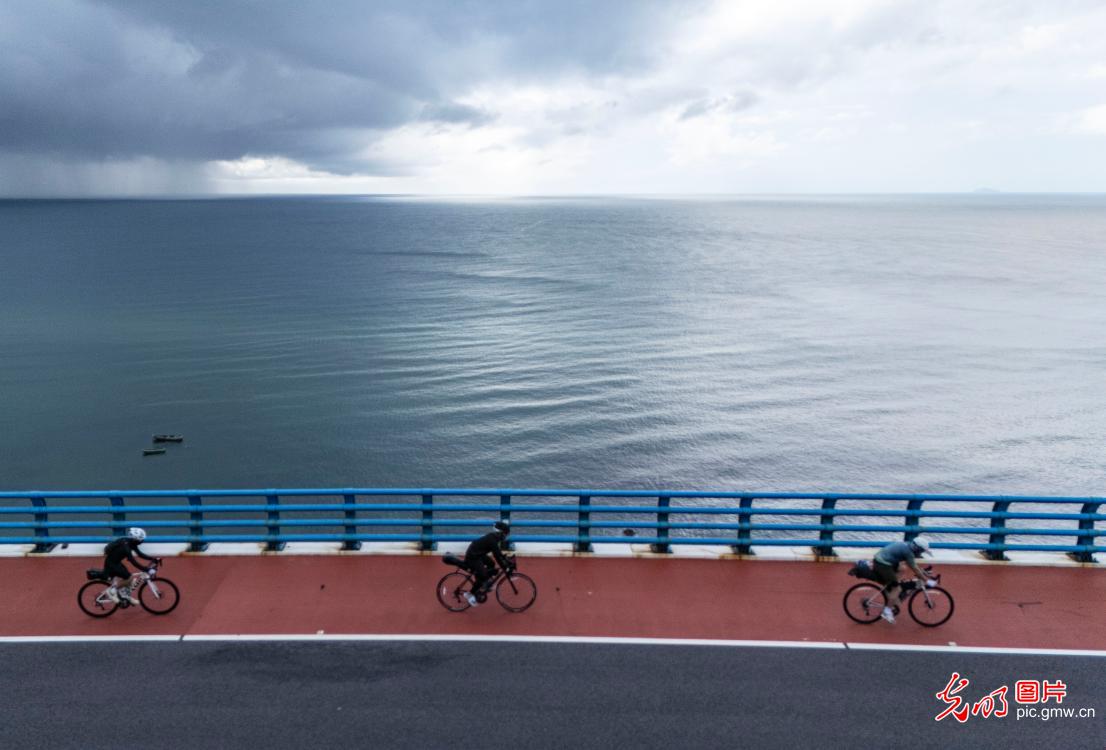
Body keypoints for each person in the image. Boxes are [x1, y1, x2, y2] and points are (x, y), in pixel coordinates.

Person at [872, 536, 935, 623]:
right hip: (882, 564)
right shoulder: (908, 552)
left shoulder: (907, 546)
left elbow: (912, 565)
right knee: (897, 589)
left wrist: (921, 571)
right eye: (921, 551)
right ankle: (887, 611)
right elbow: (914, 568)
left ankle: (891, 586)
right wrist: (926, 580)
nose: (921, 553)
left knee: (902, 568)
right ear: (916, 548)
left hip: (884, 560)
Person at [102, 527, 159, 605]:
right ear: (136, 539)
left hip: (115, 562)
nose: (142, 541)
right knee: (129, 578)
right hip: (112, 565)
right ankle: (111, 591)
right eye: (141, 539)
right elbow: (133, 562)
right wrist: (146, 569)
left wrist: (153, 559)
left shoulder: (130, 542)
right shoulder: (126, 547)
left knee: (130, 579)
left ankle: (126, 596)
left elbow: (139, 554)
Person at [463, 520, 512, 606]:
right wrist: (504, 567)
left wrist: (504, 558)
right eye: (505, 534)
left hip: (478, 554)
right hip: (473, 556)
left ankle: (482, 582)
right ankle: (470, 595)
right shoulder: (492, 540)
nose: (506, 537)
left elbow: (498, 553)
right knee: (484, 575)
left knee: (491, 564)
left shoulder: (494, 537)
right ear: (501, 533)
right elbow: (497, 556)